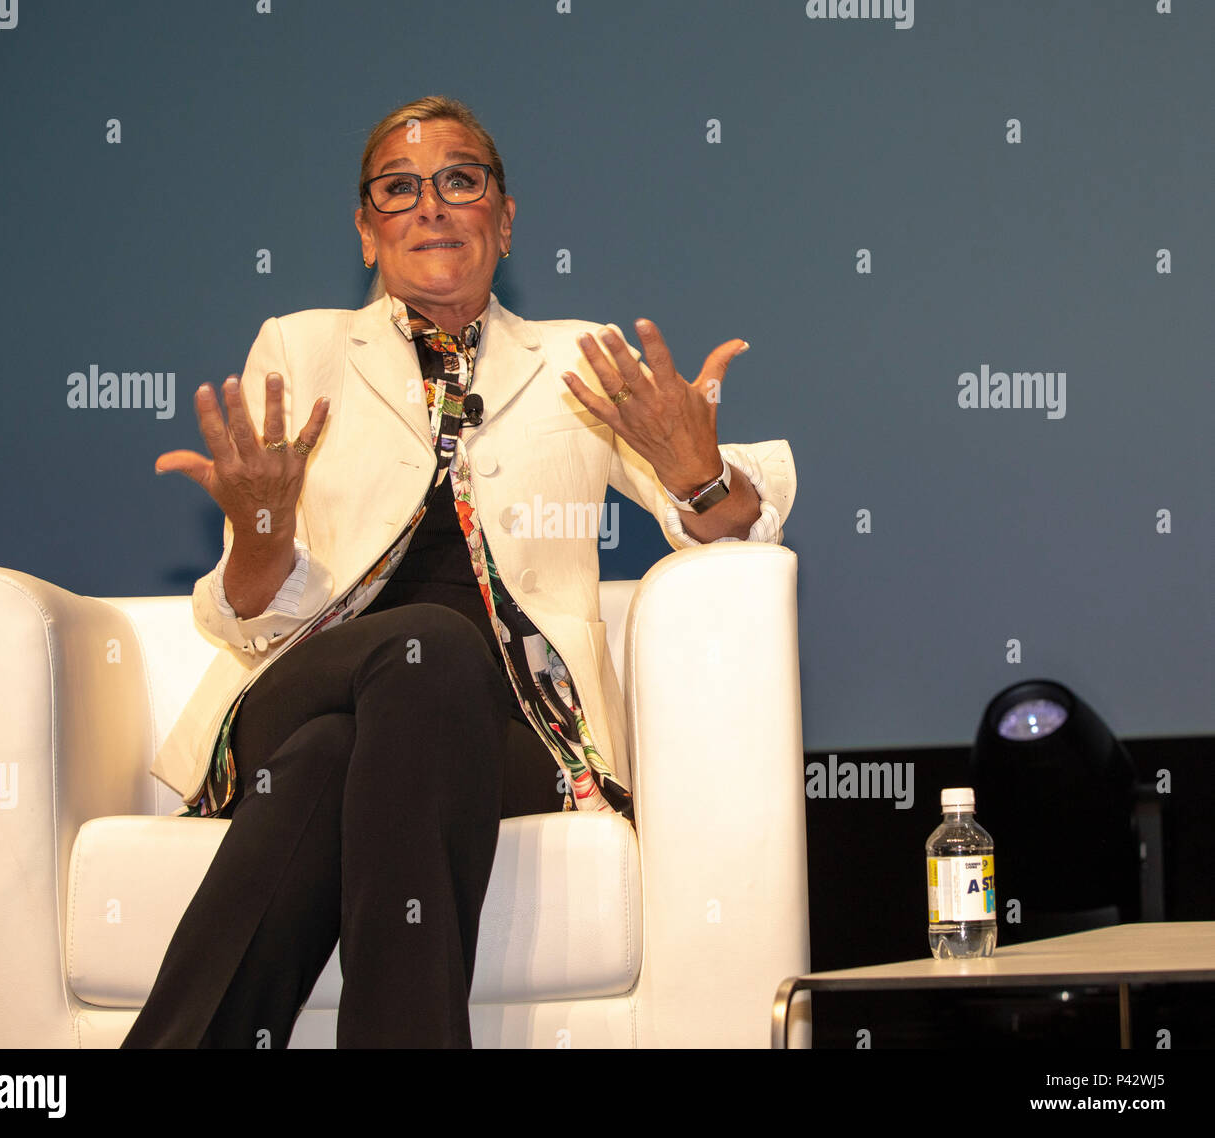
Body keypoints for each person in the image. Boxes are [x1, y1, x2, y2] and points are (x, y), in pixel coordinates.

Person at [121, 94, 796, 1049]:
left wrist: (697, 473)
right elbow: (245, 615)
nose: (430, 204)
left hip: (514, 730)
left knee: (334, 756)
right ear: (366, 231)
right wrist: (264, 533)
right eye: (398, 189)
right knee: (417, 650)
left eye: (459, 180)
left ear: (504, 217)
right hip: (304, 680)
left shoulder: (576, 358)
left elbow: (734, 524)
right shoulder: (303, 346)